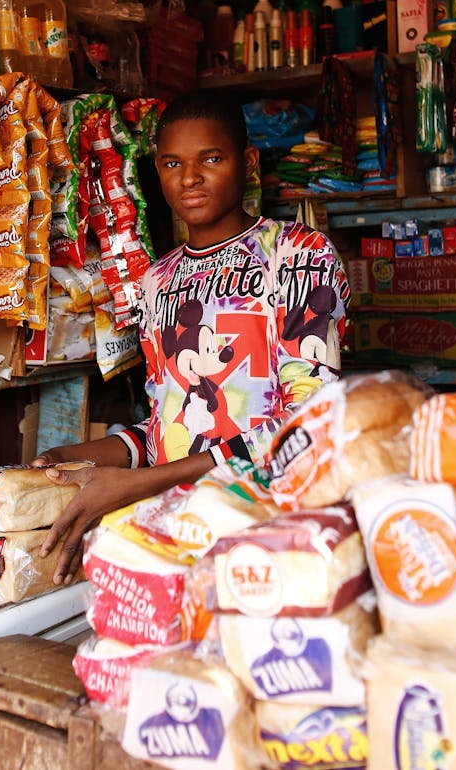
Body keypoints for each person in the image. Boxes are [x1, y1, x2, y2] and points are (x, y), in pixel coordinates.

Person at [33, 89, 350, 584]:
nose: (190, 178)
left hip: (274, 533)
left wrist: (134, 484)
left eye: (212, 158)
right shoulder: (157, 281)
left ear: (247, 161)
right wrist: (75, 460)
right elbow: (168, 429)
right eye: (171, 163)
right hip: (177, 536)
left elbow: (307, 427)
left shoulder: (298, 254)